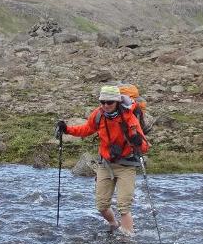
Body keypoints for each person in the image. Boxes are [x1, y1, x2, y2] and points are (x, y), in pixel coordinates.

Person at [56, 84, 150, 235]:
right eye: (102, 102)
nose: (105, 105)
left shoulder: (129, 118)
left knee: (123, 206)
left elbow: (144, 147)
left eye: (109, 102)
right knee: (101, 205)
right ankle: (114, 224)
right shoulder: (98, 115)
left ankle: (127, 241)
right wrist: (67, 129)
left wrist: (137, 141)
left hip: (126, 166)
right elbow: (86, 129)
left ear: (117, 102)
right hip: (105, 165)